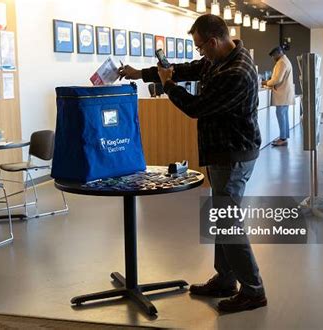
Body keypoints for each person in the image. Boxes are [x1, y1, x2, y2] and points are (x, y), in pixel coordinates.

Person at [119, 14, 266, 313]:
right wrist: (142, 74)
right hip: (222, 152)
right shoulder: (220, 58)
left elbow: (196, 107)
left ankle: (253, 289)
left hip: (233, 154)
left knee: (228, 222)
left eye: (200, 47)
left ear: (213, 41)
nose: (199, 53)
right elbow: (188, 68)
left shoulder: (235, 71)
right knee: (223, 218)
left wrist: (168, 84)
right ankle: (226, 279)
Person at [263, 46, 295, 147]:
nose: (273, 58)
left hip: (282, 93)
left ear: (279, 53)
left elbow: (277, 79)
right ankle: (284, 136)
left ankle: (282, 138)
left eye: (274, 56)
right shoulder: (285, 61)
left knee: (281, 115)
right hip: (285, 93)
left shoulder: (282, 62)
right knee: (284, 115)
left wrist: (266, 82)